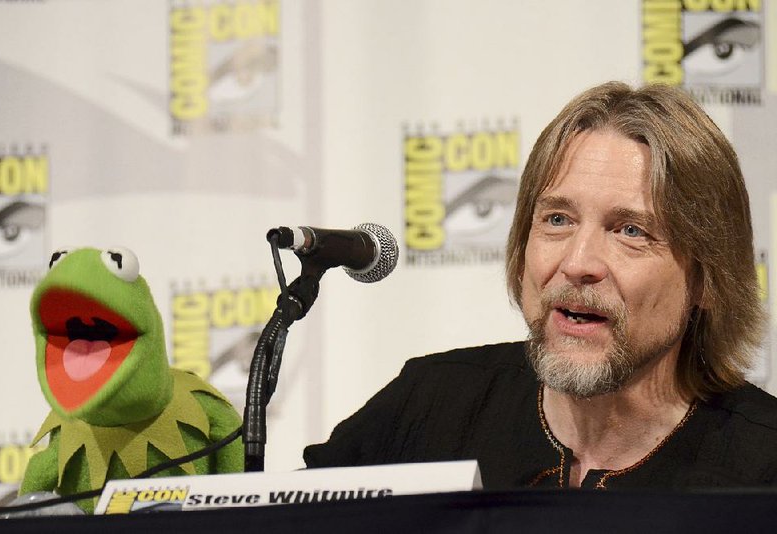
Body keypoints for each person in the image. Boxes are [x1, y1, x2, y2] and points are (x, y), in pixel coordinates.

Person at [303, 81, 777, 489]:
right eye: (557, 219)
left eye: (630, 230)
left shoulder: (762, 464)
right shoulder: (427, 404)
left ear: (707, 279)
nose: (577, 262)